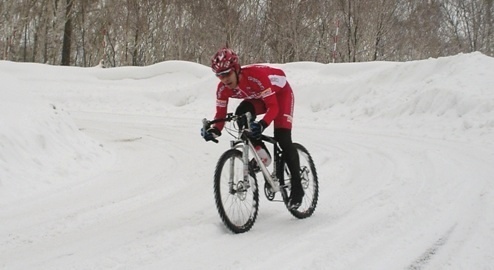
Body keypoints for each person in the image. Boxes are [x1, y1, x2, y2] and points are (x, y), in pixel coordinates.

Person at [201, 47, 304, 209]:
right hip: (257, 98)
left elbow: (273, 108)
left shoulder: (256, 78)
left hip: (280, 95)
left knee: (283, 138)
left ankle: (297, 188)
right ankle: (262, 155)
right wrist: (214, 130)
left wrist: (262, 125)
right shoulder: (222, 89)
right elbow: (220, 114)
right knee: (241, 115)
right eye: (219, 75)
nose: (224, 79)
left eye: (227, 73)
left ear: (236, 69)